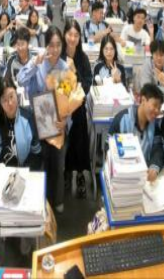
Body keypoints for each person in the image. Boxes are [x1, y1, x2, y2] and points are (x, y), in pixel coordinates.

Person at [17, 26, 70, 212]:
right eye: (51, 45)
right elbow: (20, 80)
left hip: (57, 122)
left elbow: (68, 99)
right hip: (37, 120)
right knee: (40, 162)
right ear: (46, 45)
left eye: (58, 45)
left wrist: (65, 121)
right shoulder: (38, 63)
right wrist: (34, 63)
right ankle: (40, 201)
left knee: (57, 163)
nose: (55, 49)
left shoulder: (64, 68)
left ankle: (57, 200)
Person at [0, 78, 42, 169]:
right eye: (4, 100)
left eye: (11, 96)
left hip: (19, 172)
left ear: (16, 93)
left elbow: (36, 153)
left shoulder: (28, 117)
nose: (10, 103)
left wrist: (25, 171)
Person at [62, 20, 93, 199]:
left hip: (78, 106)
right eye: (70, 34)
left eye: (76, 35)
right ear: (64, 34)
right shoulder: (59, 55)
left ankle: (80, 174)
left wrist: (74, 71)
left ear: (80, 37)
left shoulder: (83, 58)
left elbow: (87, 83)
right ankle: (66, 171)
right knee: (64, 141)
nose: (72, 38)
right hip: (62, 107)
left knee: (79, 140)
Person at [110, 84, 164, 182]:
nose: (157, 111)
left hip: (144, 176)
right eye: (155, 105)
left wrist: (154, 166)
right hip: (122, 175)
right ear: (143, 100)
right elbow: (109, 149)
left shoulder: (154, 125)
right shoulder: (122, 120)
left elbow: (157, 149)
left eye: (159, 108)